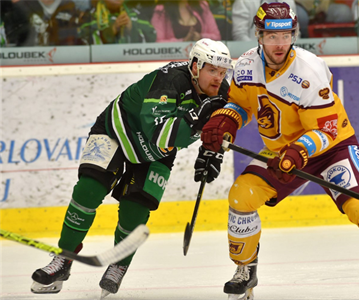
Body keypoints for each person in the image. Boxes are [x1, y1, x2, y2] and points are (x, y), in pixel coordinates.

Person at [199, 2, 359, 300]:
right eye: (272, 37)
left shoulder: (309, 70)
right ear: (259, 35)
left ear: (294, 34)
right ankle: (245, 269)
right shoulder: (246, 65)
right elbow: (241, 104)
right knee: (241, 194)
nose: (280, 44)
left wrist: (298, 152)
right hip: (283, 153)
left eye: (286, 36)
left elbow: (327, 130)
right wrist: (225, 121)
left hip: (331, 148)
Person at [30, 38, 233, 298]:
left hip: (157, 154)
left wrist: (211, 152)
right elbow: (157, 132)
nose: (218, 78)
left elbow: (223, 128)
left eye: (222, 71)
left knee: (136, 209)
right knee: (89, 190)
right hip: (118, 129)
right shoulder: (169, 80)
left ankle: (119, 264)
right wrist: (197, 118)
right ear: (195, 66)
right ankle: (63, 258)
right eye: (212, 70)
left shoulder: (222, 94)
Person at [79, 0, 156, 44]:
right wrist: (111, 30)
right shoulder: (90, 16)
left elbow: (152, 38)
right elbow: (82, 41)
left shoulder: (136, 14)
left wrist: (131, 29)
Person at [12, 0, 84, 46]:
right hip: (28, 61)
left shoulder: (71, 6)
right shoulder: (20, 6)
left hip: (62, 61)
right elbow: (13, 42)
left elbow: (73, 41)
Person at [151, 0, 221, 43]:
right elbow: (158, 42)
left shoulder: (202, 6)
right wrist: (183, 41)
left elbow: (217, 37)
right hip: (172, 59)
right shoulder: (161, 10)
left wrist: (201, 37)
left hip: (201, 57)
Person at [231, 0, 297, 41]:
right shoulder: (243, 2)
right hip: (255, 53)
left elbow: (295, 31)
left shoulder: (289, 2)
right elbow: (240, 35)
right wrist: (257, 52)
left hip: (285, 52)